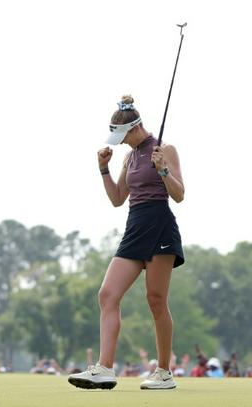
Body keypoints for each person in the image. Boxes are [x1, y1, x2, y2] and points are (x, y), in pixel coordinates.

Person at [68, 95, 185, 391]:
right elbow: (118, 198)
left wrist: (163, 169)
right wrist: (103, 169)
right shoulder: (129, 156)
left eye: (122, 136)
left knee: (156, 300)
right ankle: (104, 369)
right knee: (107, 294)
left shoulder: (165, 149)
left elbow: (179, 194)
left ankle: (164, 372)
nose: (119, 142)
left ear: (134, 128)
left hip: (159, 225)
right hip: (134, 226)